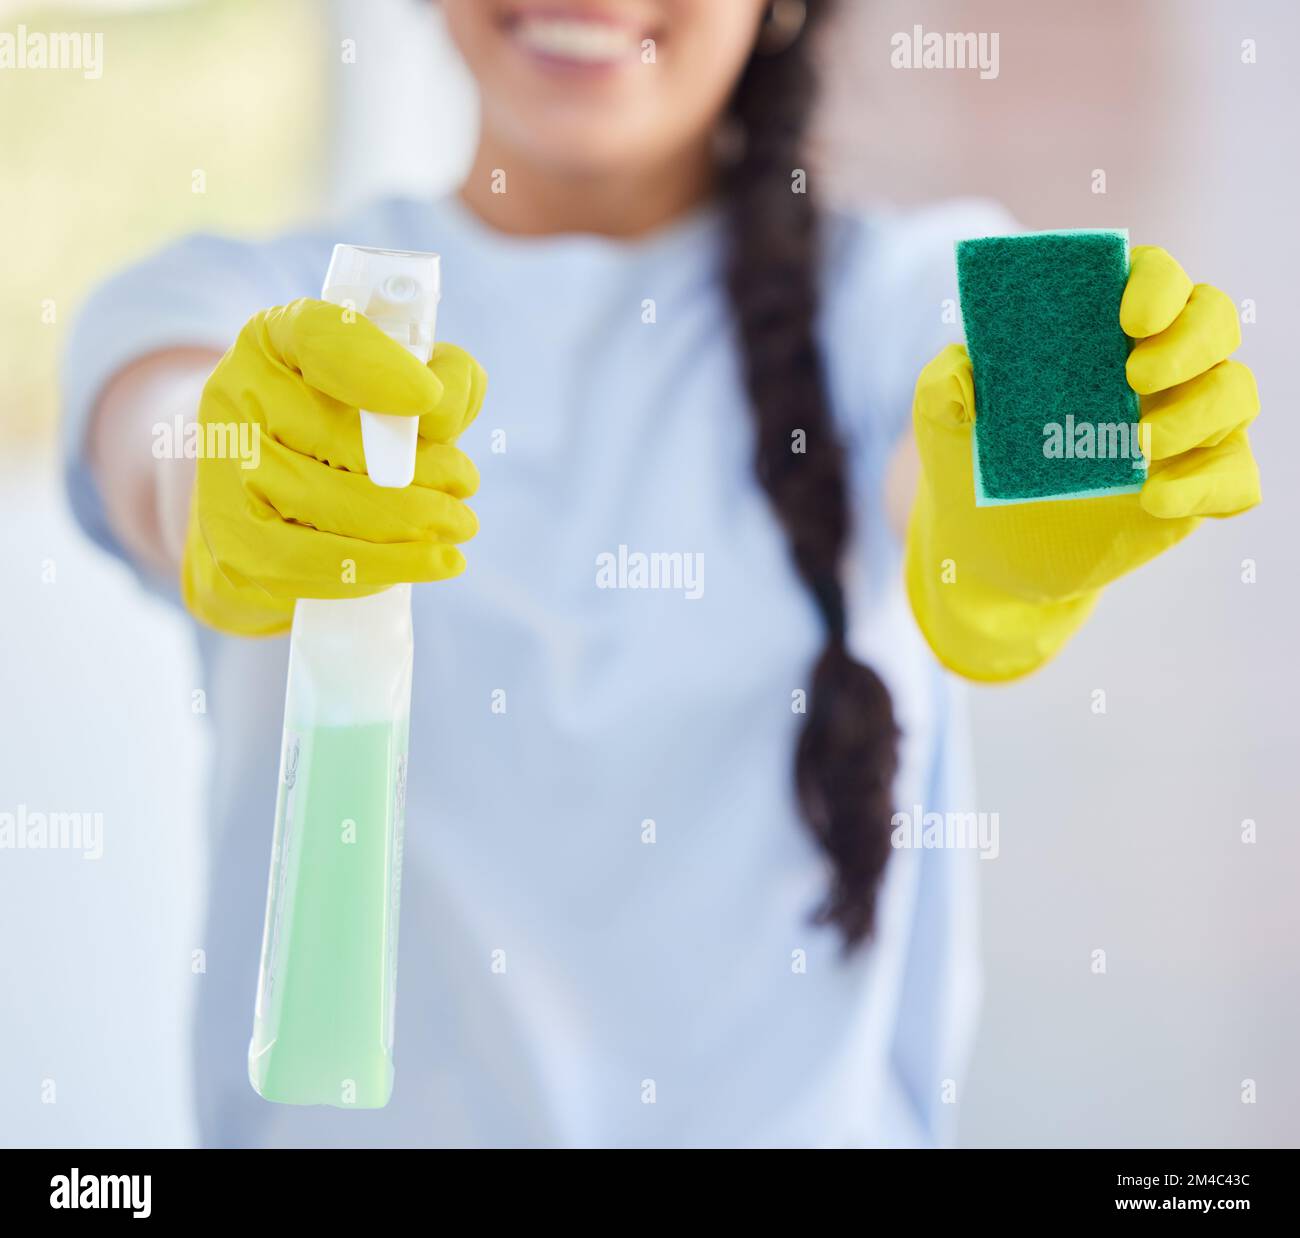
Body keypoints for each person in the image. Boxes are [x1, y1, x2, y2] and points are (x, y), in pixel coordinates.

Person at [63, 0, 1260, 1147]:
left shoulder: (906, 285)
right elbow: (159, 430)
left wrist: (1036, 481)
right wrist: (221, 471)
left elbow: (993, 383)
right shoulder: (228, 301)